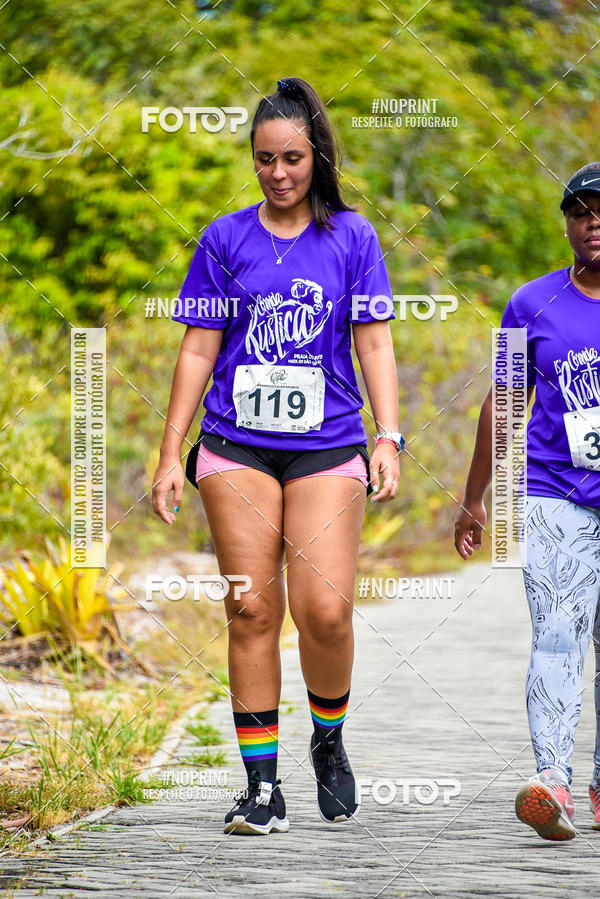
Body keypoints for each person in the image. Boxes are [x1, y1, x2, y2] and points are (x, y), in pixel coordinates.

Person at [152, 77, 404, 835]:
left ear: (316, 156)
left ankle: (327, 738)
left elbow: (374, 340)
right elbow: (199, 346)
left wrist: (388, 435)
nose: (279, 173)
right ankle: (261, 789)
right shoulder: (225, 237)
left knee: (323, 611)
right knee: (250, 604)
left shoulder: (352, 237)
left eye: (292, 157)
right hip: (235, 444)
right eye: (265, 159)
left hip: (327, 446)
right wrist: (172, 453)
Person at [454, 162, 600, 841]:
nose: (592, 220)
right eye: (580, 210)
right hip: (555, 493)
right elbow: (505, 399)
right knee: (557, 637)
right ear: (566, 222)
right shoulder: (530, 302)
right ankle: (553, 783)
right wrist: (474, 497)